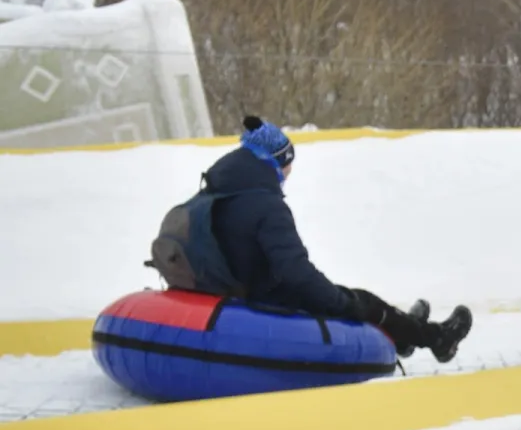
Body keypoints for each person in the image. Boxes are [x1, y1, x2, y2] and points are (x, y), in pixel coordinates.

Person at [158, 116, 472, 361]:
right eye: (289, 163)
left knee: (352, 299)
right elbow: (295, 271)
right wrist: (339, 301)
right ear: (275, 162)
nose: (291, 170)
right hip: (260, 297)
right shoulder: (267, 206)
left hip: (229, 287)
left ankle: (404, 334)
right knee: (361, 301)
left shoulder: (218, 191)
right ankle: (437, 340)